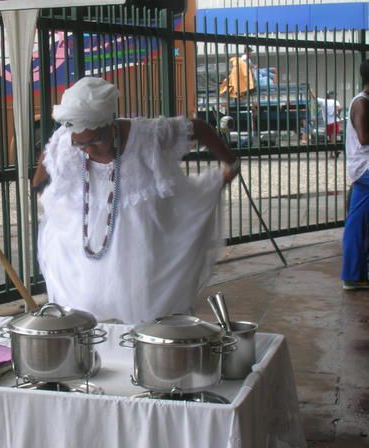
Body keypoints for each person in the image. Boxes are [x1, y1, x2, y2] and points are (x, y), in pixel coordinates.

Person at [32, 77, 240, 323]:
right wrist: (50, 201)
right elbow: (40, 177)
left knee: (146, 312)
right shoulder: (65, 141)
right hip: (83, 251)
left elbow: (200, 128)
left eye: (95, 141)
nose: (88, 149)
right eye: (81, 144)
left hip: (141, 246)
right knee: (86, 309)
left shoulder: (149, 135)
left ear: (109, 124)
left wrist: (230, 162)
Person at [341, 60, 369, 290]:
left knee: (358, 220)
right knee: (357, 221)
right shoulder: (361, 103)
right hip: (366, 167)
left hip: (363, 169)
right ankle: (352, 274)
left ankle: (354, 273)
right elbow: (364, 138)